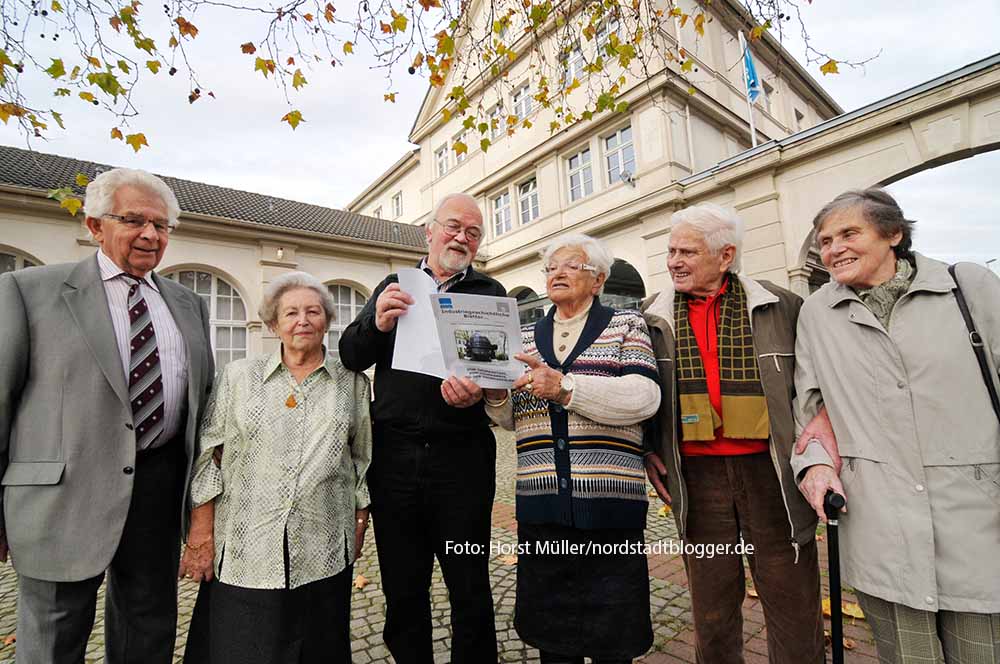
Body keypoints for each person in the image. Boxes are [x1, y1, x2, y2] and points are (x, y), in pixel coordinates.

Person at [0, 168, 214, 664]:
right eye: (133, 220)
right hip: (59, 499)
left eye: (161, 225)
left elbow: (201, 404)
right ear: (95, 226)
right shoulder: (29, 292)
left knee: (148, 630)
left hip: (158, 494)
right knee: (53, 642)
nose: (150, 235)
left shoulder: (189, 305)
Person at [792, 188, 1000, 664]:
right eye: (824, 241)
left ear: (893, 234)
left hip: (978, 518)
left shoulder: (968, 287)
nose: (833, 248)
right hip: (879, 521)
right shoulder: (818, 313)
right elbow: (810, 407)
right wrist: (815, 468)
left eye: (849, 233)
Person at [641, 203, 826, 664]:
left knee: (791, 595)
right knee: (712, 602)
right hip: (695, 475)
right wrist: (647, 449)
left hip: (772, 471)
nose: (673, 261)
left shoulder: (782, 305)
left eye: (687, 251)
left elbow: (813, 385)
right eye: (670, 251)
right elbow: (642, 390)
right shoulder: (651, 316)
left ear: (725, 256)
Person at [338, 192, 505, 664]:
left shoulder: (489, 293)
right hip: (395, 457)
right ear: (428, 231)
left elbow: (498, 371)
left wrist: (481, 389)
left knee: (468, 579)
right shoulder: (396, 283)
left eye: (473, 233)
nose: (461, 237)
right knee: (403, 581)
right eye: (453, 226)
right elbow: (352, 355)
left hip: (463, 458)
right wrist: (378, 321)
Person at [482, 234, 660, 663]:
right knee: (554, 640)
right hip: (542, 507)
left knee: (613, 638)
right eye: (550, 268)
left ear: (598, 280)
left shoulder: (624, 325)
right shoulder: (523, 335)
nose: (556, 273)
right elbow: (510, 420)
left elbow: (644, 397)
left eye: (570, 266)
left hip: (609, 506)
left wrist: (565, 387)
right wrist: (494, 394)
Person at [179, 271, 372, 663]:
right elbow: (205, 457)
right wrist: (201, 533)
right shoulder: (237, 378)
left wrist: (360, 517)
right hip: (248, 543)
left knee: (317, 646)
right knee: (242, 645)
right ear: (273, 324)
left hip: (323, 541)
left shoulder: (352, 385)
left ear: (327, 322)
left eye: (313, 312)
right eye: (291, 313)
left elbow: (362, 459)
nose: (303, 320)